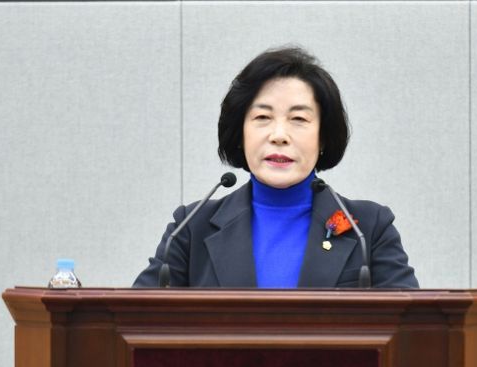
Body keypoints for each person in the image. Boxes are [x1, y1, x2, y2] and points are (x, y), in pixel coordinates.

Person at [133, 47, 418, 288]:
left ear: (323, 137)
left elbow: (410, 326)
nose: (279, 135)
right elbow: (137, 318)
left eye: (298, 119)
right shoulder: (191, 227)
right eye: (262, 117)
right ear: (240, 134)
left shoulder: (368, 228)